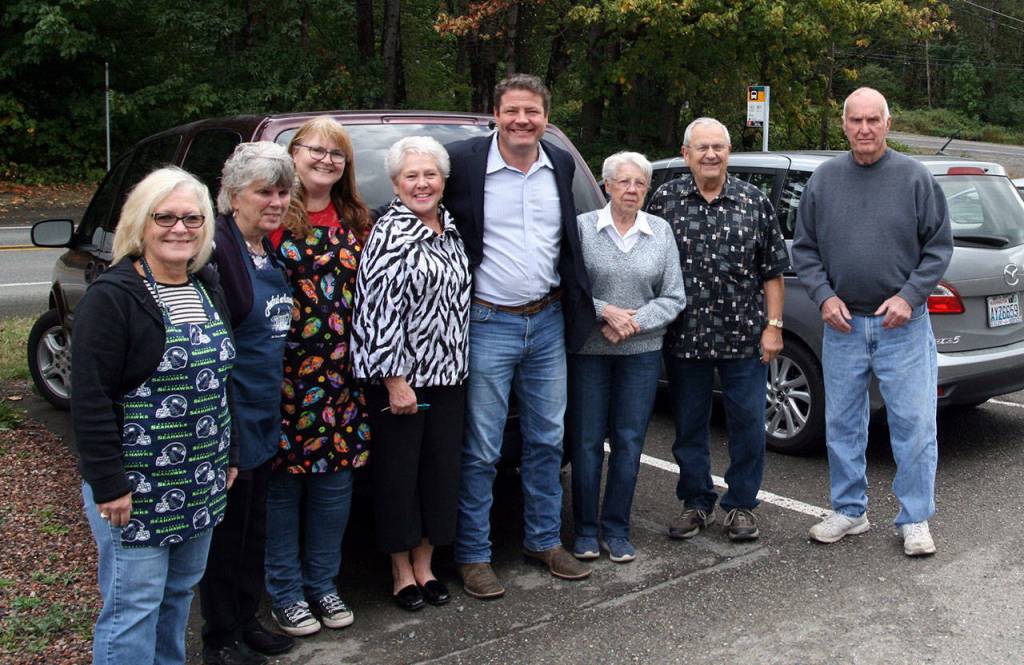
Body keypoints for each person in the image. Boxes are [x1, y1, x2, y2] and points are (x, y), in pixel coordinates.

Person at [72, 167, 237, 665]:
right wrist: (108, 484)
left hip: (200, 477)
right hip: (135, 488)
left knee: (179, 595)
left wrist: (229, 454)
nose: (179, 228)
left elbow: (220, 381)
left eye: (192, 218)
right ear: (140, 223)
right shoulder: (113, 297)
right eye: (164, 217)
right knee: (133, 608)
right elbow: (91, 399)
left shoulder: (206, 285)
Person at [443, 73, 594, 599]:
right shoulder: (462, 163)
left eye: (532, 111)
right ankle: (473, 554)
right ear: (496, 114)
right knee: (482, 448)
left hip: (548, 321)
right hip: (487, 322)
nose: (522, 120)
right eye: (512, 110)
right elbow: (421, 207)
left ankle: (544, 541)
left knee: (547, 441)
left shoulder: (561, 163)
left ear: (546, 118)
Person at [793, 87, 952, 556]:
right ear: (844, 124)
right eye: (856, 120)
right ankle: (849, 510)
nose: (864, 129)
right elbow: (805, 249)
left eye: (873, 120)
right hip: (842, 326)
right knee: (842, 423)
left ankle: (915, 518)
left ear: (887, 124)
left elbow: (938, 248)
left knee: (914, 426)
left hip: (902, 326)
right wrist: (823, 297)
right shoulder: (824, 181)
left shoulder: (915, 178)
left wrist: (908, 296)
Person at [647, 117, 789, 543]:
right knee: (690, 427)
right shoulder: (665, 200)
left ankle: (741, 505)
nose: (710, 154)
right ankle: (696, 502)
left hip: (743, 337)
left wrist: (774, 327)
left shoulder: (753, 201)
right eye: (702, 147)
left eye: (718, 147)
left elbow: (772, 272)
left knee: (747, 426)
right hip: (684, 337)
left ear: (729, 152)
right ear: (686, 154)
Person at [352, 136, 470, 611]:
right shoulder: (389, 233)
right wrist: (394, 380)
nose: (422, 184)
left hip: (450, 378)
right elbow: (374, 311)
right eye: (411, 176)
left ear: (444, 180)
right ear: (396, 183)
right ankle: (401, 572)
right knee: (399, 476)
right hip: (403, 381)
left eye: (430, 175)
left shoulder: (452, 228)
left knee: (440, 474)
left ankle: (427, 565)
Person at [264, 117, 372, 636]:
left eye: (337, 154)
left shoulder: (356, 218)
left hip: (342, 376)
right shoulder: (271, 215)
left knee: (334, 485)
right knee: (283, 489)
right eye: (316, 150)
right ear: (294, 154)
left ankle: (323, 585)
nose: (326, 160)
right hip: (283, 375)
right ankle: (286, 592)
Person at [198, 142, 295, 665]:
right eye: (264, 192)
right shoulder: (217, 253)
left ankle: (246, 618)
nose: (275, 202)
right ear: (234, 196)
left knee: (254, 530)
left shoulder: (266, 250)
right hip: (231, 415)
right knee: (226, 535)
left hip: (264, 411)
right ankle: (220, 638)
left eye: (282, 192)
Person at [568, 151, 685, 563]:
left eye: (639, 183)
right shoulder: (583, 228)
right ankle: (585, 530)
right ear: (607, 186)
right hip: (589, 352)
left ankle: (616, 529)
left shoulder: (660, 231)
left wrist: (632, 323)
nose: (632, 189)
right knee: (585, 442)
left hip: (641, 353)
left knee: (629, 441)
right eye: (623, 182)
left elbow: (674, 297)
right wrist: (606, 312)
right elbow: (570, 287)